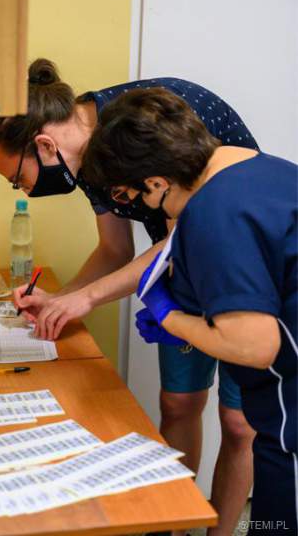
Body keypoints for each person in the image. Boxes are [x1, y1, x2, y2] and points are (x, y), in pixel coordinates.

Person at [0, 59, 259, 536]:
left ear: (44, 145)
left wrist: (84, 301)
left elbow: (182, 237)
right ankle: (172, 527)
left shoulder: (144, 124)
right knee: (178, 405)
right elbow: (115, 250)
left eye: (17, 179)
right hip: (182, 270)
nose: (21, 189)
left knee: (238, 422)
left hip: (246, 267)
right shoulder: (82, 157)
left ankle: (221, 531)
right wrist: (60, 298)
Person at [81, 87, 297, 535]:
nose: (141, 208)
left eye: (133, 196)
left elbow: (254, 346)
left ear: (156, 183)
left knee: (274, 525)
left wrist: (169, 316)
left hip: (289, 416)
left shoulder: (212, 210)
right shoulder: (266, 169)